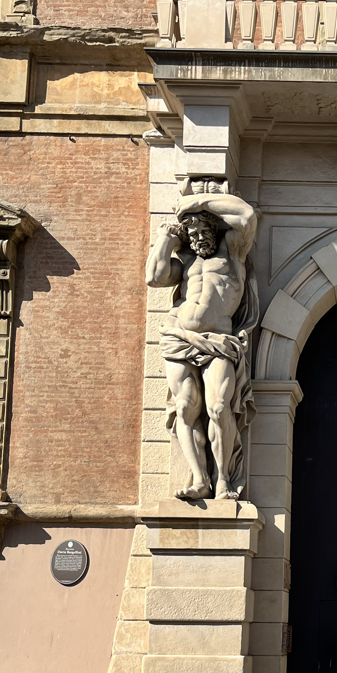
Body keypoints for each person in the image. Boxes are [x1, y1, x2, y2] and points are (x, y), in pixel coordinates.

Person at [145, 180, 258, 501]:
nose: (197, 236)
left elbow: (246, 215)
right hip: (179, 336)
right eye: (191, 233)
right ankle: (200, 479)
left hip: (219, 340)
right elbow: (153, 277)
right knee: (184, 408)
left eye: (201, 229)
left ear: (213, 227)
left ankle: (223, 480)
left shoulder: (233, 251)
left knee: (219, 407)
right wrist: (166, 237)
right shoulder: (185, 263)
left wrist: (196, 203)